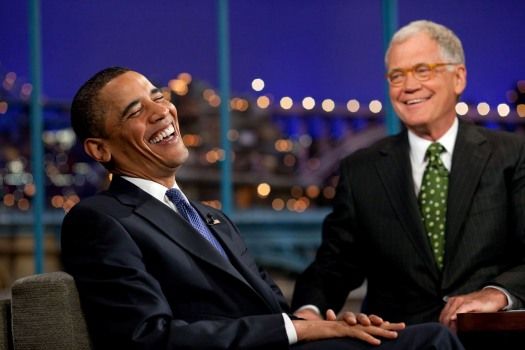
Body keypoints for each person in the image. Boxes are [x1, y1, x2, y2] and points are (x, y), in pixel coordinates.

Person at [61, 66, 464, 350]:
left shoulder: (211, 218)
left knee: (419, 336)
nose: (161, 111)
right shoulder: (99, 220)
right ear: (100, 149)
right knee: (431, 341)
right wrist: (296, 331)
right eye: (135, 112)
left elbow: (275, 313)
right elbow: (148, 338)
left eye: (158, 97)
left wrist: (329, 325)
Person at [292, 19, 525, 330]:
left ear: (458, 78)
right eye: (396, 76)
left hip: (486, 337)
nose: (409, 86)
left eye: (423, 70)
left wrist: (497, 294)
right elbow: (333, 266)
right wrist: (310, 311)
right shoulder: (361, 169)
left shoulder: (512, 154)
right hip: (396, 341)